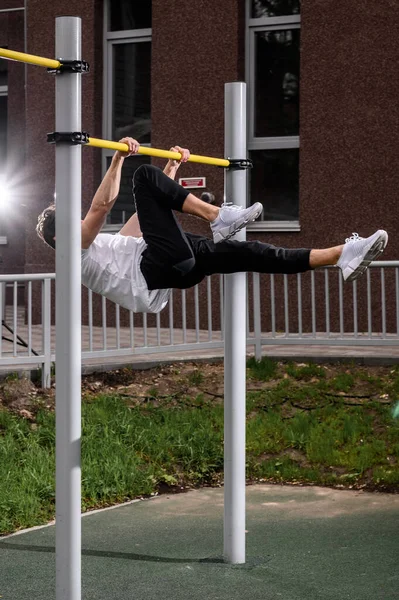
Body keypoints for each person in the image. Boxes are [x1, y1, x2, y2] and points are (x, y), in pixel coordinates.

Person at [36, 137, 388, 314]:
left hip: (173, 269)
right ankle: (219, 216)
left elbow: (139, 225)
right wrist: (118, 159)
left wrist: (169, 174)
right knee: (142, 176)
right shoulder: (73, 251)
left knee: (250, 252)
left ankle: (342, 254)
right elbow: (102, 205)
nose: (79, 217)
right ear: (60, 232)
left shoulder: (96, 249)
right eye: (71, 216)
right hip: (156, 269)